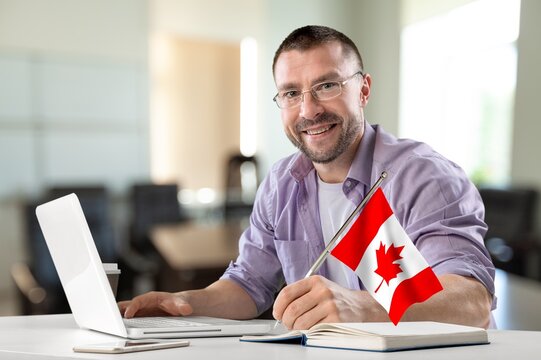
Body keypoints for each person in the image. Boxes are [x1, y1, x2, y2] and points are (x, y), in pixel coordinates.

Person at [119, 25, 495, 330]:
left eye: (327, 86)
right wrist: (185, 302)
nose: (309, 110)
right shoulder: (282, 183)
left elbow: (472, 302)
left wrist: (364, 308)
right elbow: (249, 285)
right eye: (291, 93)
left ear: (363, 89)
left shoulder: (423, 176)